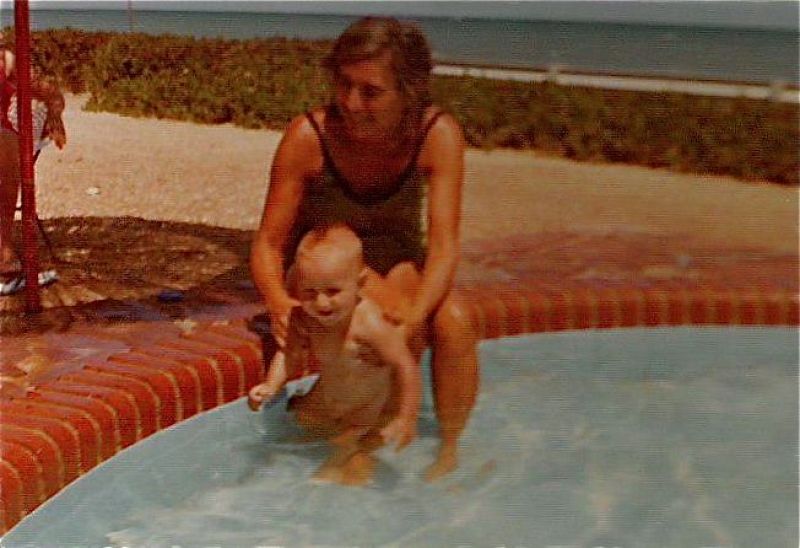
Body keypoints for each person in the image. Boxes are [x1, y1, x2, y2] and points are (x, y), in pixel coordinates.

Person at [250, 16, 479, 481]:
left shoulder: (437, 134)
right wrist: (278, 301)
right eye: (344, 85)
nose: (352, 104)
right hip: (324, 271)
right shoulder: (309, 137)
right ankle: (360, 439)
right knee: (390, 312)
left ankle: (450, 450)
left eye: (371, 92)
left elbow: (444, 247)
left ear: (409, 93)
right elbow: (268, 244)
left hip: (396, 263)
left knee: (453, 322)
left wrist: (418, 318)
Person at [248, 224, 422, 486]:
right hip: (325, 401)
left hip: (364, 411)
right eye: (310, 292)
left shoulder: (369, 324)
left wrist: (406, 417)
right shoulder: (304, 317)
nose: (321, 303)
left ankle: (353, 464)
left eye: (333, 291)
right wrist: (271, 385)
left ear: (360, 284)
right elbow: (290, 353)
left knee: (334, 466)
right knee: (295, 433)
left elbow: (405, 365)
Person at [0, 33, 67, 278]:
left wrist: (54, 116)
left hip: (7, 140)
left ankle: (3, 249)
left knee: (6, 144)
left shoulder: (7, 60)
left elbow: (53, 95)